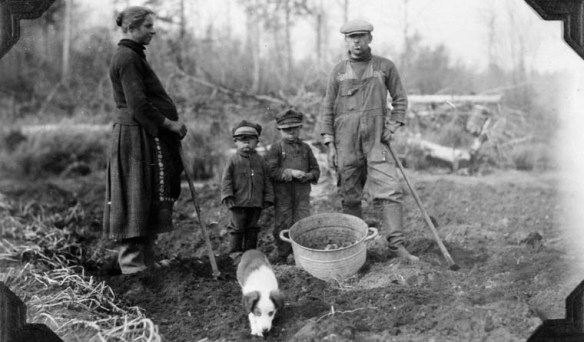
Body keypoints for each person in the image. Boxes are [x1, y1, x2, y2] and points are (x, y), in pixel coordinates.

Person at [321, 19, 418, 261]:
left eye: (361, 36)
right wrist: (330, 143)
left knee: (390, 191)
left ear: (369, 39)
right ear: (346, 40)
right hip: (346, 142)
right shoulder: (338, 71)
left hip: (377, 141)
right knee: (350, 195)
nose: (356, 41)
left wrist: (394, 125)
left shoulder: (385, 67)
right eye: (352, 37)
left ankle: (396, 245)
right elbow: (327, 109)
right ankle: (355, 248)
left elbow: (400, 100)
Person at [103, 6, 188, 275]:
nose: (153, 30)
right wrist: (169, 124)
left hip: (143, 135)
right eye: (147, 26)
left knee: (147, 194)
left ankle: (146, 262)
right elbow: (138, 104)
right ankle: (132, 268)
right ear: (131, 28)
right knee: (134, 195)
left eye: (153, 25)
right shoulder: (127, 57)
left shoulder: (134, 55)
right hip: (134, 137)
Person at [265, 109, 320, 264]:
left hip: (302, 195)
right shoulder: (276, 149)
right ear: (280, 130)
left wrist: (308, 176)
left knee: (303, 224)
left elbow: (316, 169)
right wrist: (291, 173)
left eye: (294, 128)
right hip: (283, 195)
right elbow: (271, 171)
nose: (291, 132)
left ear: (299, 128)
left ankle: (301, 257)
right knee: (283, 224)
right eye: (287, 129)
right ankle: (283, 256)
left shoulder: (306, 148)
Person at [221, 120, 274, 255]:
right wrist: (227, 196)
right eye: (242, 140)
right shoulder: (233, 160)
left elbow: (267, 179)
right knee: (237, 227)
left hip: (256, 202)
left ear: (257, 142)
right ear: (235, 142)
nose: (246, 143)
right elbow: (226, 179)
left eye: (250, 139)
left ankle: (250, 254)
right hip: (238, 202)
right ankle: (234, 255)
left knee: (252, 228)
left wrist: (268, 197)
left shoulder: (260, 160)